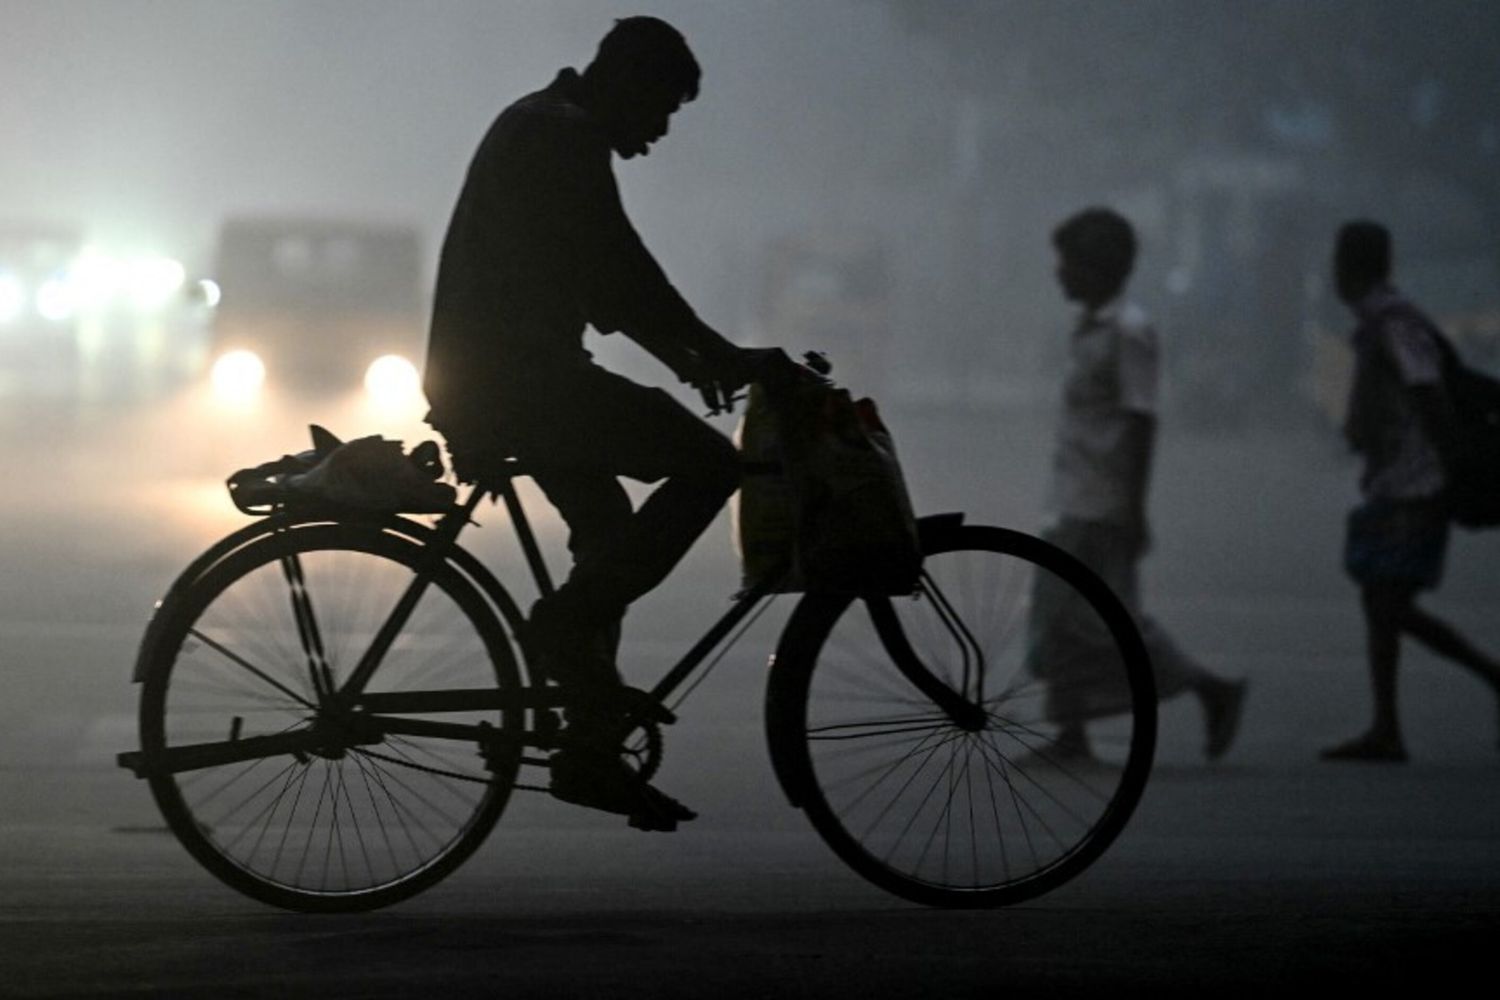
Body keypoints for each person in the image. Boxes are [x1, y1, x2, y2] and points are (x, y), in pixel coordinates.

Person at [423, 17, 750, 828]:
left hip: (510, 377)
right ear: (627, 84)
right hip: (518, 382)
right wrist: (714, 356)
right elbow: (620, 272)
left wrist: (699, 357)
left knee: (607, 528)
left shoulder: (543, 124)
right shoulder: (561, 137)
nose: (663, 129)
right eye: (663, 108)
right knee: (712, 466)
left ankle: (591, 747)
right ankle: (563, 633)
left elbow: (605, 282)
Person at [1030, 207, 1247, 761]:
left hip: (1102, 503)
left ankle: (1208, 687)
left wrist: (1133, 508)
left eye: (1067, 264)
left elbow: (1140, 421)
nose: (1058, 275)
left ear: (1095, 269)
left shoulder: (1129, 333)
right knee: (1062, 621)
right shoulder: (1091, 329)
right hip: (1071, 497)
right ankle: (1071, 733)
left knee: (1105, 625)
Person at [1323, 220, 1500, 762]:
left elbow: (1427, 393)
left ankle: (1489, 677)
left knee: (1389, 602)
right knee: (1382, 603)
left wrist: (1454, 472)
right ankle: (1386, 725)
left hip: (1417, 481)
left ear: (1347, 268)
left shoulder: (1394, 323)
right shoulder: (1380, 322)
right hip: (1397, 478)